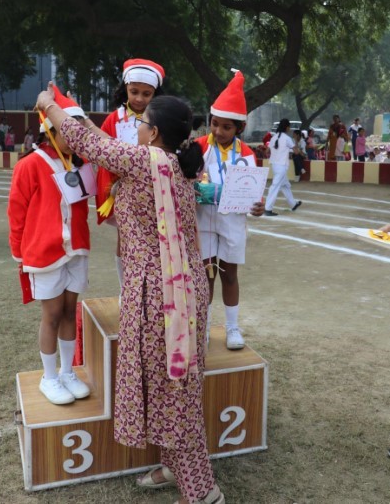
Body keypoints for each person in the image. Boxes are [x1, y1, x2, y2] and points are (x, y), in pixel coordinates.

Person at [35, 84, 225, 504]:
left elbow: (88, 143)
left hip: (162, 296)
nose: (136, 127)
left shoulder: (146, 161)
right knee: (168, 385)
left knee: (174, 394)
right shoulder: (167, 162)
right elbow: (102, 142)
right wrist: (74, 110)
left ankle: (203, 492)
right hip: (173, 288)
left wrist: (49, 106)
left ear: (153, 133)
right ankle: (174, 466)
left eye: (141, 122)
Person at [8, 87, 91, 406]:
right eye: (69, 130)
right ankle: (49, 377)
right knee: (52, 314)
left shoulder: (80, 163)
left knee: (70, 310)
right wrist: (19, 252)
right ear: (50, 129)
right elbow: (16, 212)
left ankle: (67, 372)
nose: (76, 137)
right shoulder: (30, 164)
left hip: (76, 249)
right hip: (44, 252)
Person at [195, 71, 264, 351]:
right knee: (205, 275)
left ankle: (232, 327)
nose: (218, 131)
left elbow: (253, 192)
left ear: (239, 128)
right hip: (203, 220)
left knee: (229, 274)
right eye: (215, 124)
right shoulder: (199, 147)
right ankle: (204, 327)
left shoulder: (247, 153)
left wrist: (258, 206)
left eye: (226, 127)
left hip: (232, 221)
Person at [96, 58, 165, 297]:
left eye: (147, 94)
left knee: (153, 240)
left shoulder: (160, 119)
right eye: (134, 92)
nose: (139, 99)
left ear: (155, 93)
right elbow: (103, 152)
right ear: (125, 88)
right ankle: (125, 291)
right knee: (124, 238)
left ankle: (150, 292)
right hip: (122, 190)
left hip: (153, 191)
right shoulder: (113, 120)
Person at [264, 118, 302, 216]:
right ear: (287, 127)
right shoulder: (287, 138)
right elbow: (296, 152)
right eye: (289, 127)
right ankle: (268, 208)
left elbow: (267, 151)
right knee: (275, 186)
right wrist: (296, 141)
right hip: (282, 166)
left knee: (285, 185)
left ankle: (293, 204)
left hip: (274, 165)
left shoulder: (273, 137)